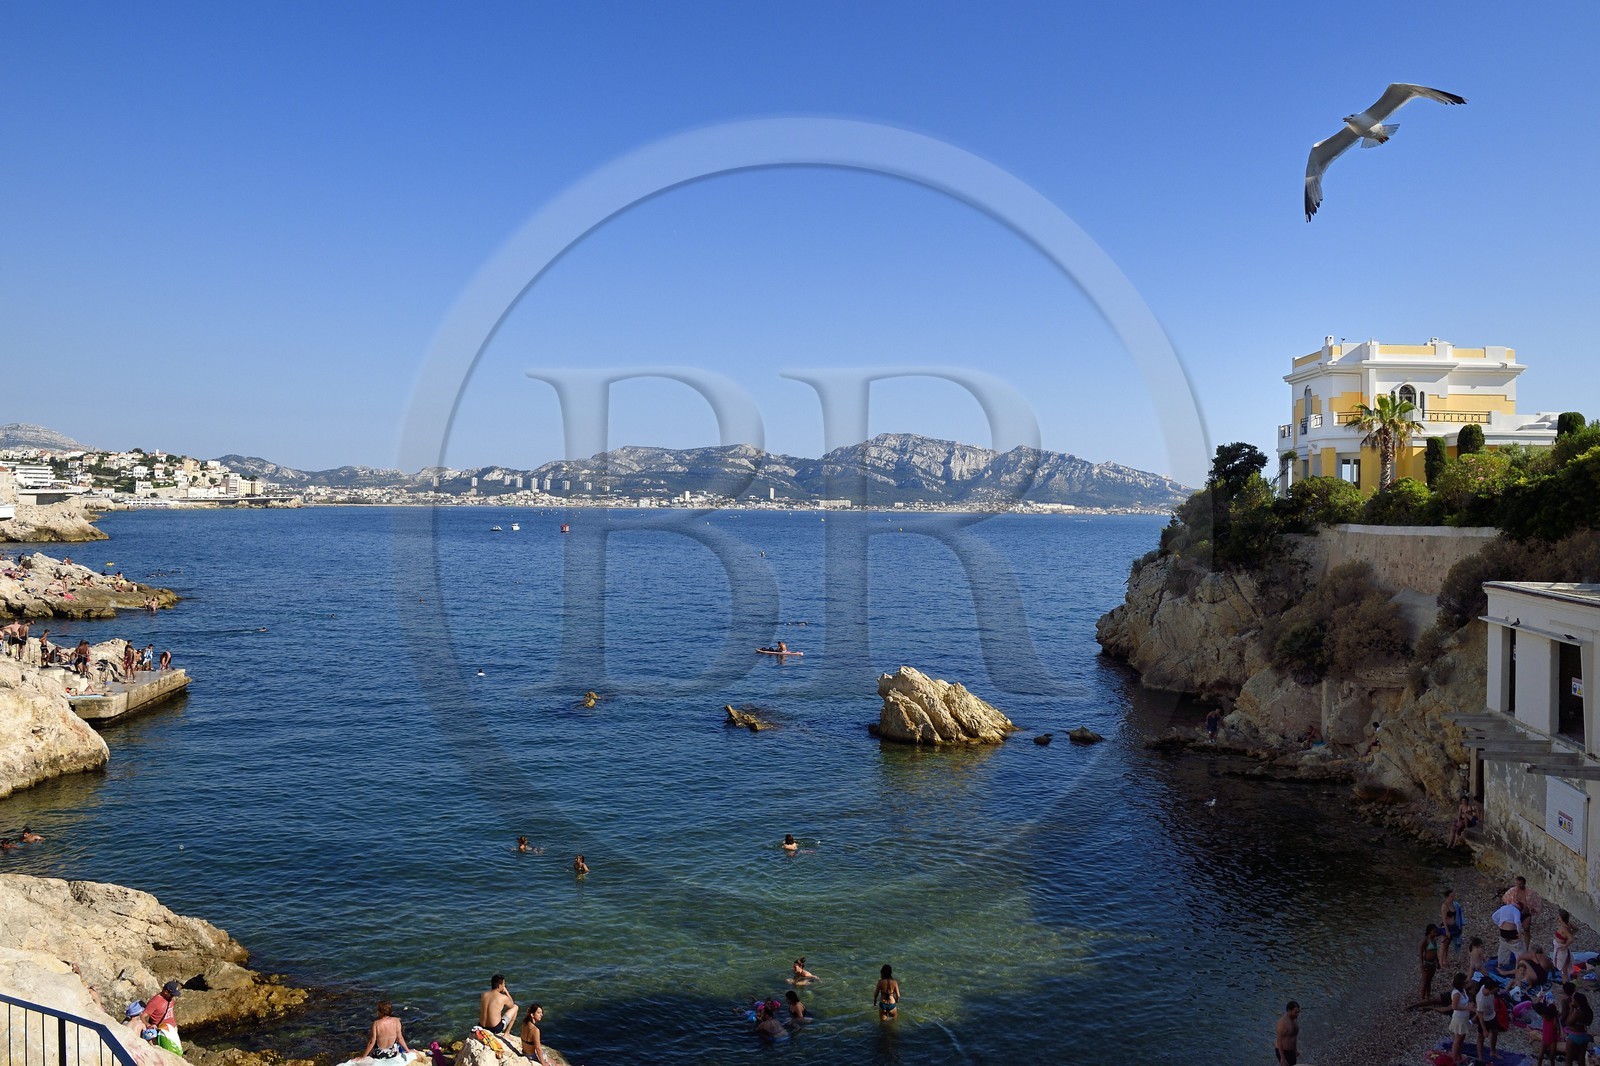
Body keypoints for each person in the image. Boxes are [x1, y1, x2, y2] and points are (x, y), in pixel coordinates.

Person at [1446, 972, 1473, 1065]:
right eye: (1465, 982)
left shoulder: (1463, 990)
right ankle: (1454, 1059)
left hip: (1464, 1018)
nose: (1466, 983)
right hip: (1459, 1019)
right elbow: (1454, 1006)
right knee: (1457, 1040)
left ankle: (1459, 1055)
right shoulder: (1456, 993)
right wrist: (1467, 1007)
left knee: (1462, 1038)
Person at [1493, 897, 1525, 969]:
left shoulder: (1503, 908)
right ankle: (1520, 967)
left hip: (1503, 933)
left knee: (1503, 949)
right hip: (1512, 934)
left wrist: (1499, 924)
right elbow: (1517, 921)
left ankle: (1501, 965)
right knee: (1519, 951)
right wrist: (1519, 932)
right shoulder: (1516, 911)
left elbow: (1494, 916)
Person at [1475, 975, 1500, 1063]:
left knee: (1495, 1032)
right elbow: (1480, 1015)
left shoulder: (1488, 988)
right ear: (1489, 989)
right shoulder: (1481, 999)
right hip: (1484, 1019)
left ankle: (1493, 1051)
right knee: (1481, 1038)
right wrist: (1484, 1029)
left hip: (1492, 1015)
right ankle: (1480, 1057)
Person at [1565, 989, 1593, 1064]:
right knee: (1581, 1059)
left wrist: (1571, 1009)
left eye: (1573, 1000)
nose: (1572, 1001)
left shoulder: (1577, 1012)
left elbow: (1568, 1022)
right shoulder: (1587, 1011)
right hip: (1584, 1036)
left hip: (1574, 1037)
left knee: (1568, 1060)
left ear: (1577, 1001)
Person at [1441, 888, 1465, 959]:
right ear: (1447, 897)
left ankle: (1445, 960)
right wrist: (1447, 931)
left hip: (1453, 926)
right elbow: (1444, 920)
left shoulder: (1454, 905)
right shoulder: (1444, 906)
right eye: (1451, 896)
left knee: (1448, 945)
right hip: (1446, 927)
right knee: (1443, 945)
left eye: (1453, 896)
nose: (1453, 898)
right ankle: (1441, 962)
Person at [1420, 925, 1443, 1000]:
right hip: (1427, 963)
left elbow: (1435, 952)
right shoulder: (1425, 940)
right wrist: (1422, 964)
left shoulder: (1434, 940)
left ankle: (1428, 997)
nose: (1436, 933)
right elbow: (1421, 953)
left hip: (1433, 963)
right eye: (1434, 931)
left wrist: (1438, 962)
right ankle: (1422, 998)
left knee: (1429, 980)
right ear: (1430, 932)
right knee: (1425, 981)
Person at [1274, 1001, 1300, 1065]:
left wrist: (1295, 1050)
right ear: (1289, 1010)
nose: (1297, 1014)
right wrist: (1282, 1058)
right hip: (1283, 1052)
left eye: (1298, 1012)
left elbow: (1293, 1036)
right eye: (1296, 1012)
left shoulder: (1294, 1019)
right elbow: (1279, 1041)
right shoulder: (1282, 1023)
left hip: (1291, 1051)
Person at [1556, 908, 1576, 980]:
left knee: (1563, 970)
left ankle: (1565, 985)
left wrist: (1565, 945)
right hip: (1562, 948)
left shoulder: (1564, 928)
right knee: (1564, 968)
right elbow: (1576, 929)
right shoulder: (1568, 925)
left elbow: (1571, 939)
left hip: (1562, 949)